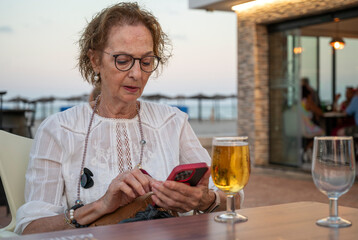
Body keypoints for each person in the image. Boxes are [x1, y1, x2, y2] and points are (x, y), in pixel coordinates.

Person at [15, 3, 234, 234]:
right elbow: (31, 228)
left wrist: (203, 200)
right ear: (95, 61)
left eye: (146, 62)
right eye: (122, 60)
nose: (137, 74)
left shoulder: (172, 122)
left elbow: (231, 197)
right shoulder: (58, 130)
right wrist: (100, 206)